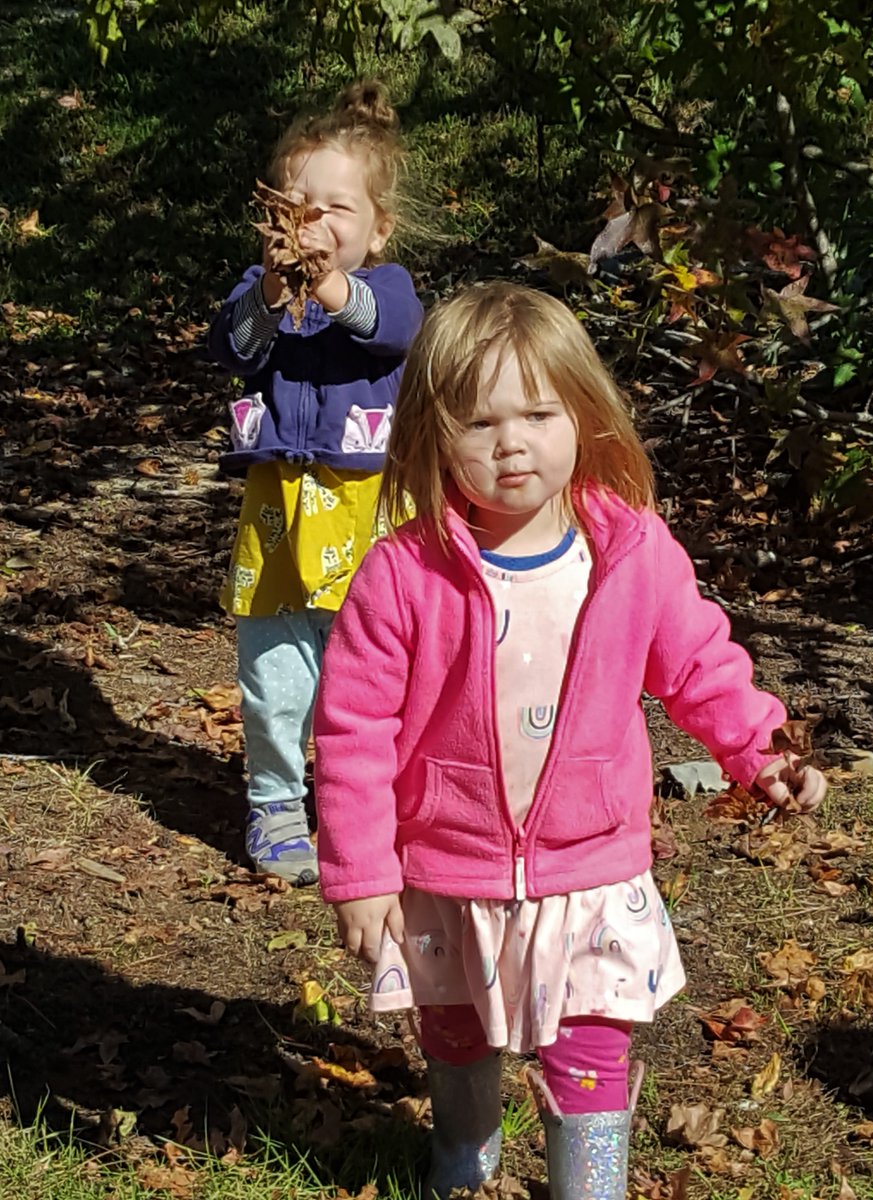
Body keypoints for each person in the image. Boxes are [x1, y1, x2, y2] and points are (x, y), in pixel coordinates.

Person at [312, 282, 827, 1200]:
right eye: (479, 422)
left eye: (538, 414)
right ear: (433, 435)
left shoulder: (630, 552)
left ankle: (589, 1187)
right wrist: (361, 870)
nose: (511, 442)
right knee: (456, 1028)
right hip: (451, 863)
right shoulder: (404, 572)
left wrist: (760, 748)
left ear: (583, 416)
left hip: (591, 866)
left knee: (591, 1040)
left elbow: (699, 663)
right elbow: (353, 728)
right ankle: (464, 1157)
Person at [208, 80, 423, 885]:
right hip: (278, 517)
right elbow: (231, 348)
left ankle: (363, 801)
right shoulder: (258, 296)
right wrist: (272, 288)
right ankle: (274, 798)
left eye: (336, 209)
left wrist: (331, 286)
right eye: (296, 206)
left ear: (378, 227)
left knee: (372, 674)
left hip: (369, 517)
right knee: (275, 675)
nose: (313, 225)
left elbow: (393, 332)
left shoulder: (385, 289)